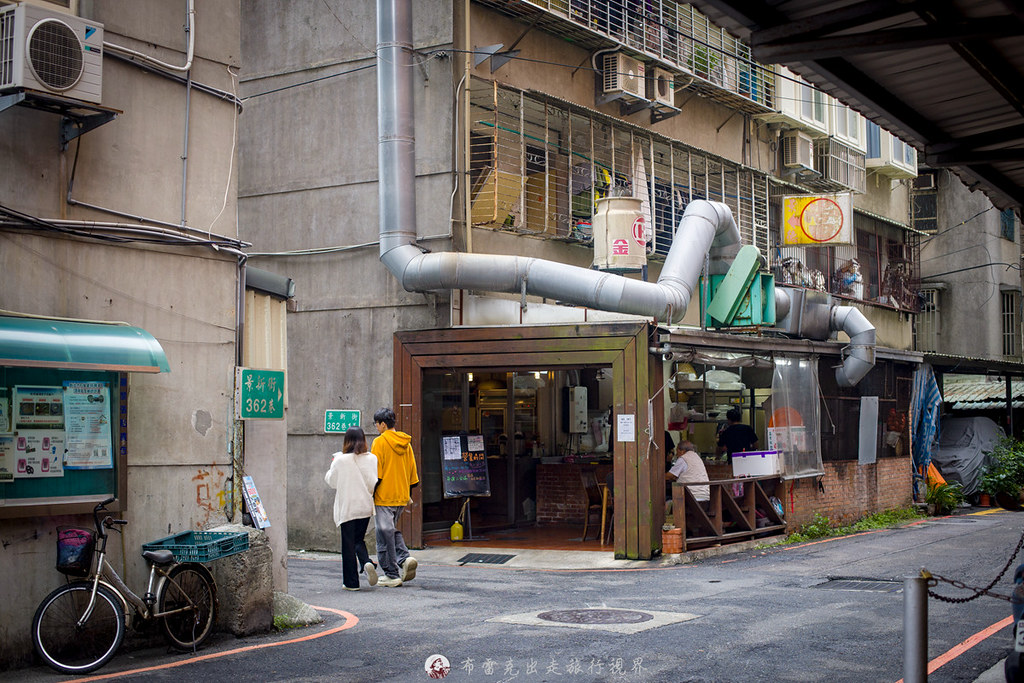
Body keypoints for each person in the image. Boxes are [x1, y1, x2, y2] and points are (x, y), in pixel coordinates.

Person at [324, 426, 379, 591]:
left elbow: (332, 482)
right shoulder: (372, 459)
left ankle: (351, 582)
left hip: (348, 506)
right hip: (365, 505)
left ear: (346, 441)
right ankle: (367, 562)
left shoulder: (340, 460)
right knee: (358, 539)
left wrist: (333, 463)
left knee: (348, 544)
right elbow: (373, 482)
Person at [371, 407, 420, 587]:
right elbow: (412, 473)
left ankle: (392, 573)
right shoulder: (406, 443)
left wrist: (371, 493)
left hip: (384, 495)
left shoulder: (379, 442)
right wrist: (408, 493)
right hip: (401, 495)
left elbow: (376, 473)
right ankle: (403, 559)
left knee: (383, 534)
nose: (376, 427)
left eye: (376, 424)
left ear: (383, 424)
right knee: (388, 530)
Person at [667, 440, 710, 504]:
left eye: (677, 451)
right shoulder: (697, 458)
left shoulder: (683, 458)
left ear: (682, 451)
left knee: (666, 503)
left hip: (691, 496)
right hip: (705, 496)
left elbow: (670, 476)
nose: (676, 454)